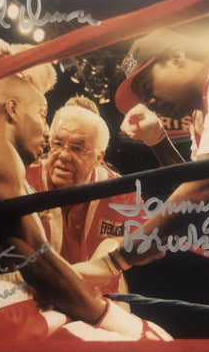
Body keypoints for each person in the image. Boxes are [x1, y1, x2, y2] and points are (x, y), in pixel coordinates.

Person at [0, 74, 180, 352]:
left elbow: (182, 212)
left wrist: (117, 266)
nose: (47, 134)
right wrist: (113, 316)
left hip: (50, 301)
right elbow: (37, 264)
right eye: (44, 118)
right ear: (13, 109)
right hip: (18, 309)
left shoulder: (116, 189)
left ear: (99, 157)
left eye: (78, 148)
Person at [74, 29, 209, 300]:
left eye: (147, 88)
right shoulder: (200, 116)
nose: (149, 102)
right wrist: (159, 141)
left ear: (177, 56)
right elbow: (200, 201)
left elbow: (206, 185)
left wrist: (115, 260)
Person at [26, 99, 145, 295]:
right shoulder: (23, 179)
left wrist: (113, 255)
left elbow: (157, 242)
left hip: (101, 297)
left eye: (76, 148)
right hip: (37, 295)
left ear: (99, 157)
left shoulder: (121, 191)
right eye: (58, 143)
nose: (64, 155)